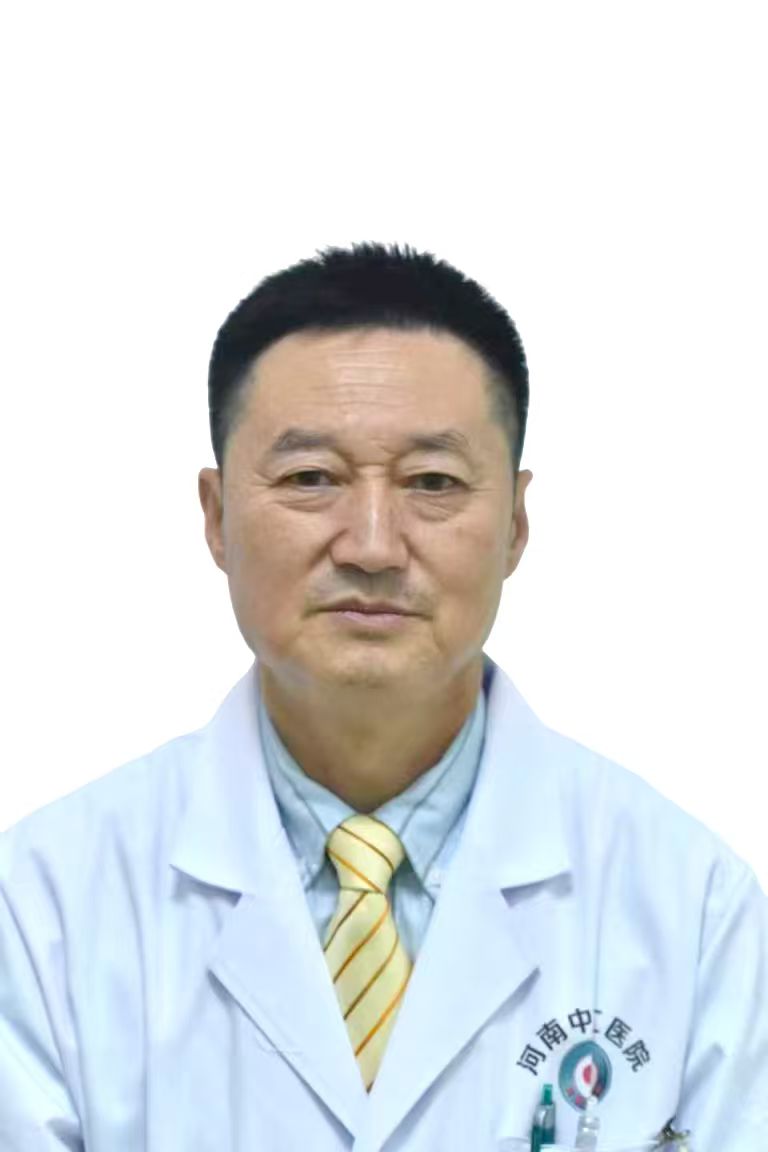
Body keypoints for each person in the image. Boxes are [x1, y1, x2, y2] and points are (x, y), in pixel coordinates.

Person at [1, 242, 765, 1151]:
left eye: (433, 482)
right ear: (216, 517)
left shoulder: (691, 905)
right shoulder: (43, 904)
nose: (371, 545)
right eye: (310, 479)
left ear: (516, 525)